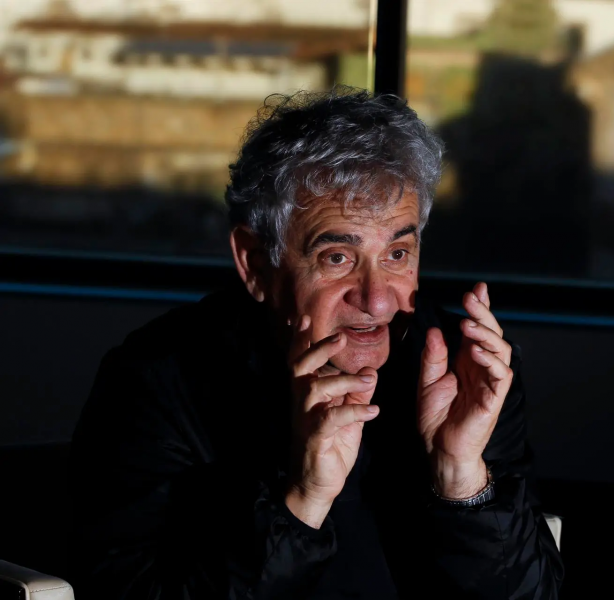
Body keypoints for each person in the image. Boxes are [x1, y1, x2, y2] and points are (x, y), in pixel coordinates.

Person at [69, 89, 564, 599]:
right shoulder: (156, 381)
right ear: (257, 264)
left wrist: (461, 478)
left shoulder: (462, 372)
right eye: (336, 258)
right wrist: (303, 500)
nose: (376, 301)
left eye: (397, 253)